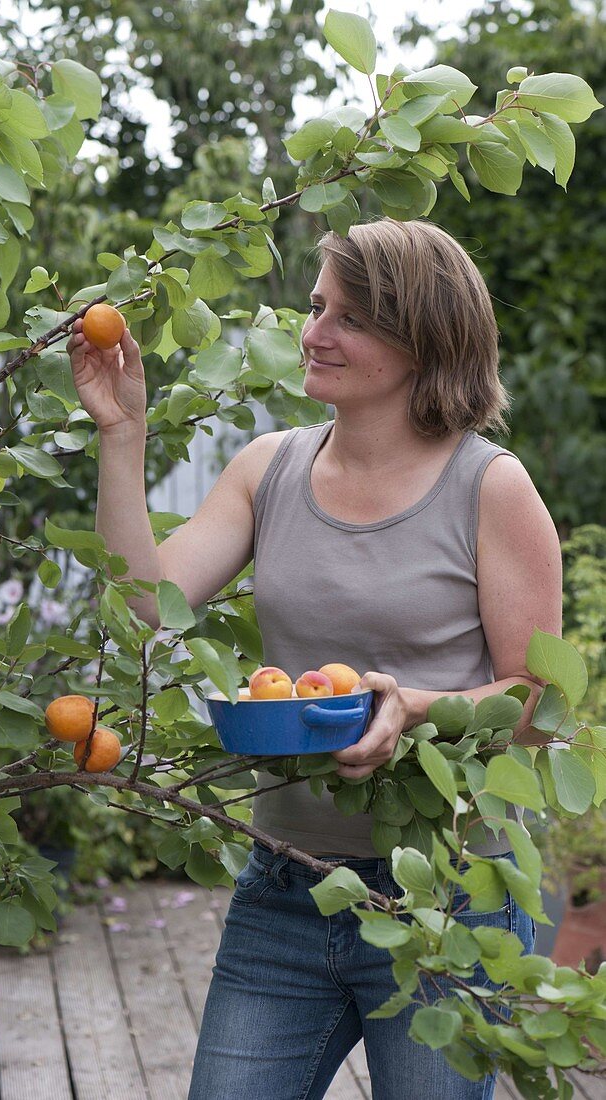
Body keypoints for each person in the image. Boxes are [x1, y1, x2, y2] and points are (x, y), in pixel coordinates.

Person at [67, 218, 562, 1100]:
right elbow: (150, 607)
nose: (313, 332)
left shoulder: (490, 486)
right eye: (315, 305)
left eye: (349, 318)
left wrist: (417, 708)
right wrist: (122, 434)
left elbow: (536, 704)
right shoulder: (269, 469)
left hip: (449, 892)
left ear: (423, 340)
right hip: (289, 883)